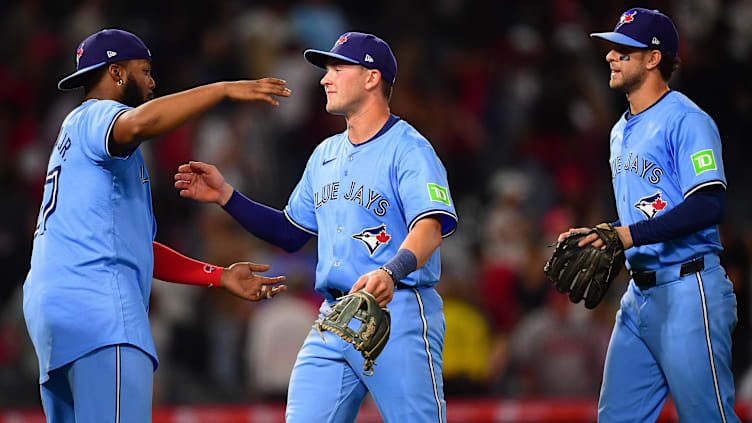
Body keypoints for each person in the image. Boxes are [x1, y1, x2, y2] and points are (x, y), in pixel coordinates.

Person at [175, 31, 458, 422]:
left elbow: (430, 226)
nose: (325, 78)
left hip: (400, 309)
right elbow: (291, 233)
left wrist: (393, 271)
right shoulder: (325, 154)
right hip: (335, 315)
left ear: (371, 77)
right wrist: (226, 196)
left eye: (337, 68)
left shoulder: (409, 149)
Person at [23, 29, 291, 423]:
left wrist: (219, 276)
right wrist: (220, 90)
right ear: (116, 73)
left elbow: (134, 246)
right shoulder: (97, 116)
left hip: (55, 319)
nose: (152, 82)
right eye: (144, 71)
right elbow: (136, 125)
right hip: (100, 312)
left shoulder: (75, 140)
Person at [557, 8, 739, 422]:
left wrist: (627, 235)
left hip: (689, 287)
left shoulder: (687, 119)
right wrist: (604, 235)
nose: (610, 56)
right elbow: (640, 212)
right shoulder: (619, 130)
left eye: (624, 49)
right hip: (639, 297)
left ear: (654, 58)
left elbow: (710, 203)